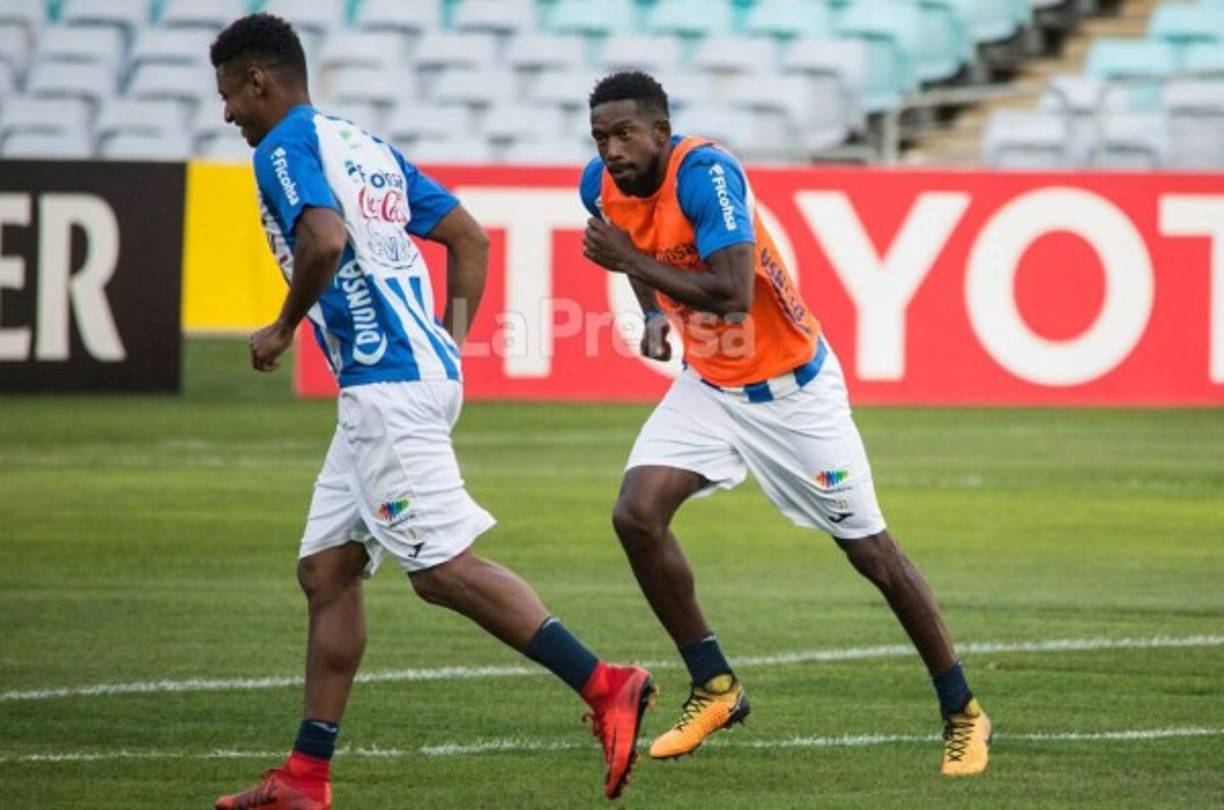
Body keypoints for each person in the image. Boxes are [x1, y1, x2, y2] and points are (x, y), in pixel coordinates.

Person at [209, 17, 654, 809]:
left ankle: (606, 684)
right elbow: (469, 237)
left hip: (386, 385)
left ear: (257, 83)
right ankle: (305, 778)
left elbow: (321, 239)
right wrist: (448, 342)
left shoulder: (283, 149)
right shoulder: (363, 145)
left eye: (228, 98)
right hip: (408, 375)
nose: (227, 117)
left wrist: (282, 328)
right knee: (328, 570)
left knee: (442, 571)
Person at [578, 71, 991, 777]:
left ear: (660, 130)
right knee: (635, 515)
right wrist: (648, 309)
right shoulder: (599, 185)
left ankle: (964, 711)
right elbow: (630, 247)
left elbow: (733, 296)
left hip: (793, 395)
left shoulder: (706, 174)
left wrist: (632, 263)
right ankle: (715, 686)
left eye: (623, 134)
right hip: (710, 387)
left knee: (875, 558)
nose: (611, 150)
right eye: (600, 137)